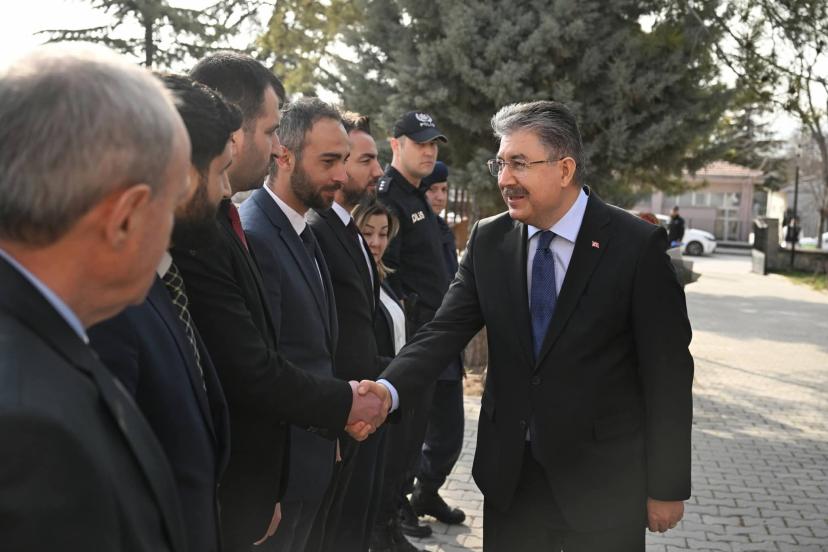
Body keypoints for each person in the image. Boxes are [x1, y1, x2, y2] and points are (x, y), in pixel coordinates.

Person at [373, 100, 694, 551]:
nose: (505, 179)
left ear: (565, 169)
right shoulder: (490, 239)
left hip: (603, 485)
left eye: (520, 163)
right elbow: (443, 332)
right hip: (512, 482)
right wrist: (385, 391)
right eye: (500, 164)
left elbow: (668, 373)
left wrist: (667, 484)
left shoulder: (636, 246)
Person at [173, 53, 387, 551]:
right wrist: (341, 407)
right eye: (271, 132)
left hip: (302, 460)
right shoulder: (241, 232)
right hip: (263, 477)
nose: (273, 147)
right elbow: (249, 368)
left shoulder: (302, 231)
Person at [0, 46, 191, 551]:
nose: (171, 234)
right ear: (125, 218)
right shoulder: (30, 433)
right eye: (171, 206)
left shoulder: (41, 344)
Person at [88, 75, 240, 552]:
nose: (228, 190)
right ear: (182, 176)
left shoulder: (160, 280)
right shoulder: (111, 306)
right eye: (221, 171)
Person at [239, 96, 366, 551]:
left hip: (313, 459)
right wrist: (265, 486)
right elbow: (257, 372)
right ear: (283, 154)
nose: (342, 176)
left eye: (345, 160)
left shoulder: (303, 229)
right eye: (328, 161)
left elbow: (315, 352)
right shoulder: (255, 234)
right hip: (280, 477)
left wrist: (330, 428)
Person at [305, 112, 389, 552]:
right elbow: (321, 335)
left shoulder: (346, 228)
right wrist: (339, 414)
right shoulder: (319, 230)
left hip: (358, 409)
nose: (378, 171)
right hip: (339, 414)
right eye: (367, 160)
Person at [376, 110, 451, 538]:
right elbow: (388, 273)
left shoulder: (416, 195)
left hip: (430, 337)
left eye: (433, 144)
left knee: (422, 431)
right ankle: (388, 519)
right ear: (395, 144)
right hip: (411, 338)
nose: (429, 151)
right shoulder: (390, 197)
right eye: (420, 143)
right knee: (403, 437)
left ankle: (398, 510)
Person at [354, 200, 420, 552]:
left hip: (396, 393)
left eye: (383, 234)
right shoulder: (356, 282)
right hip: (372, 393)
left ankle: (389, 528)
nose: (376, 242)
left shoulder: (384, 278)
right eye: (368, 233)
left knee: (394, 470)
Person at [411, 161, 466, 526]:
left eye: (444, 190)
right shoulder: (415, 228)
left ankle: (426, 492)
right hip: (423, 343)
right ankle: (403, 502)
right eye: (433, 190)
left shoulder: (442, 229)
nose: (440, 197)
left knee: (450, 433)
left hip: (447, 347)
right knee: (416, 433)